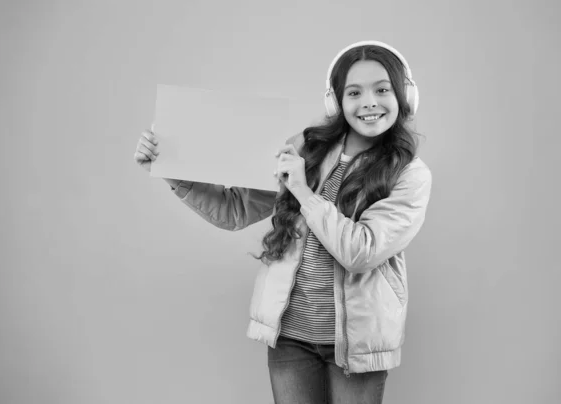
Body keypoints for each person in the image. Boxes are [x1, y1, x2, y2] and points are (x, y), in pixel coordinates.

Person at [134, 40, 432, 404]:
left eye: (382, 90)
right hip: (290, 338)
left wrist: (305, 194)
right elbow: (235, 210)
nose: (369, 102)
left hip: (356, 347)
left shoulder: (410, 175)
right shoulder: (305, 149)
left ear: (404, 96)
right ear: (336, 101)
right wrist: (172, 169)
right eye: (354, 92)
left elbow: (360, 250)